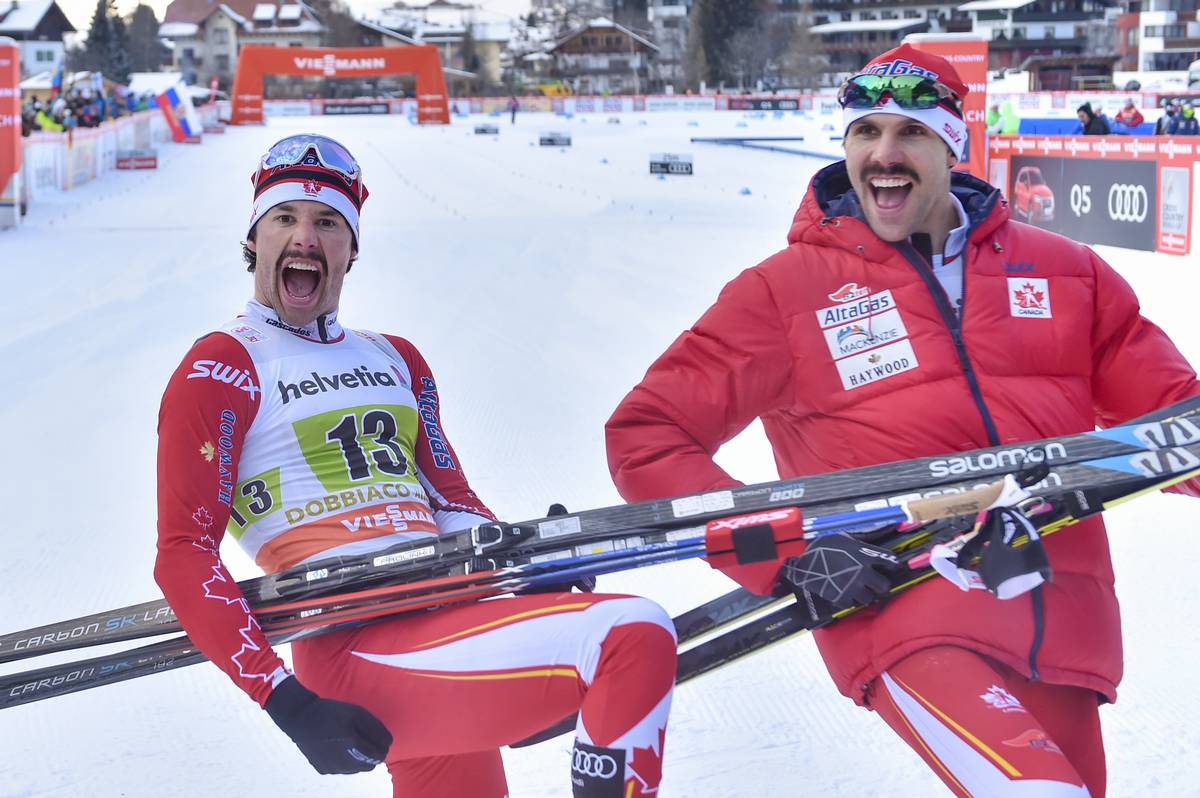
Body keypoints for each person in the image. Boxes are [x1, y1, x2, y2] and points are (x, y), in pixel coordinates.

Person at [605, 43, 1200, 798]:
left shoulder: (1067, 273)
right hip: (903, 602)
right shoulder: (785, 292)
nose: (884, 153)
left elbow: (1178, 430)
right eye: (865, 132)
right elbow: (647, 436)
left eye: (911, 132)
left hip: (1063, 620)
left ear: (953, 143)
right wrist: (785, 556)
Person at [155, 134, 676, 798]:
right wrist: (284, 701)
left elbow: (453, 501)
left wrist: (522, 568)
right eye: (285, 218)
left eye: (328, 222)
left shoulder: (396, 358)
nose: (306, 237)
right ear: (255, 238)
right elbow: (182, 552)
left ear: (352, 247)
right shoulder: (220, 368)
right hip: (353, 648)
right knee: (630, 636)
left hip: (447, 618)